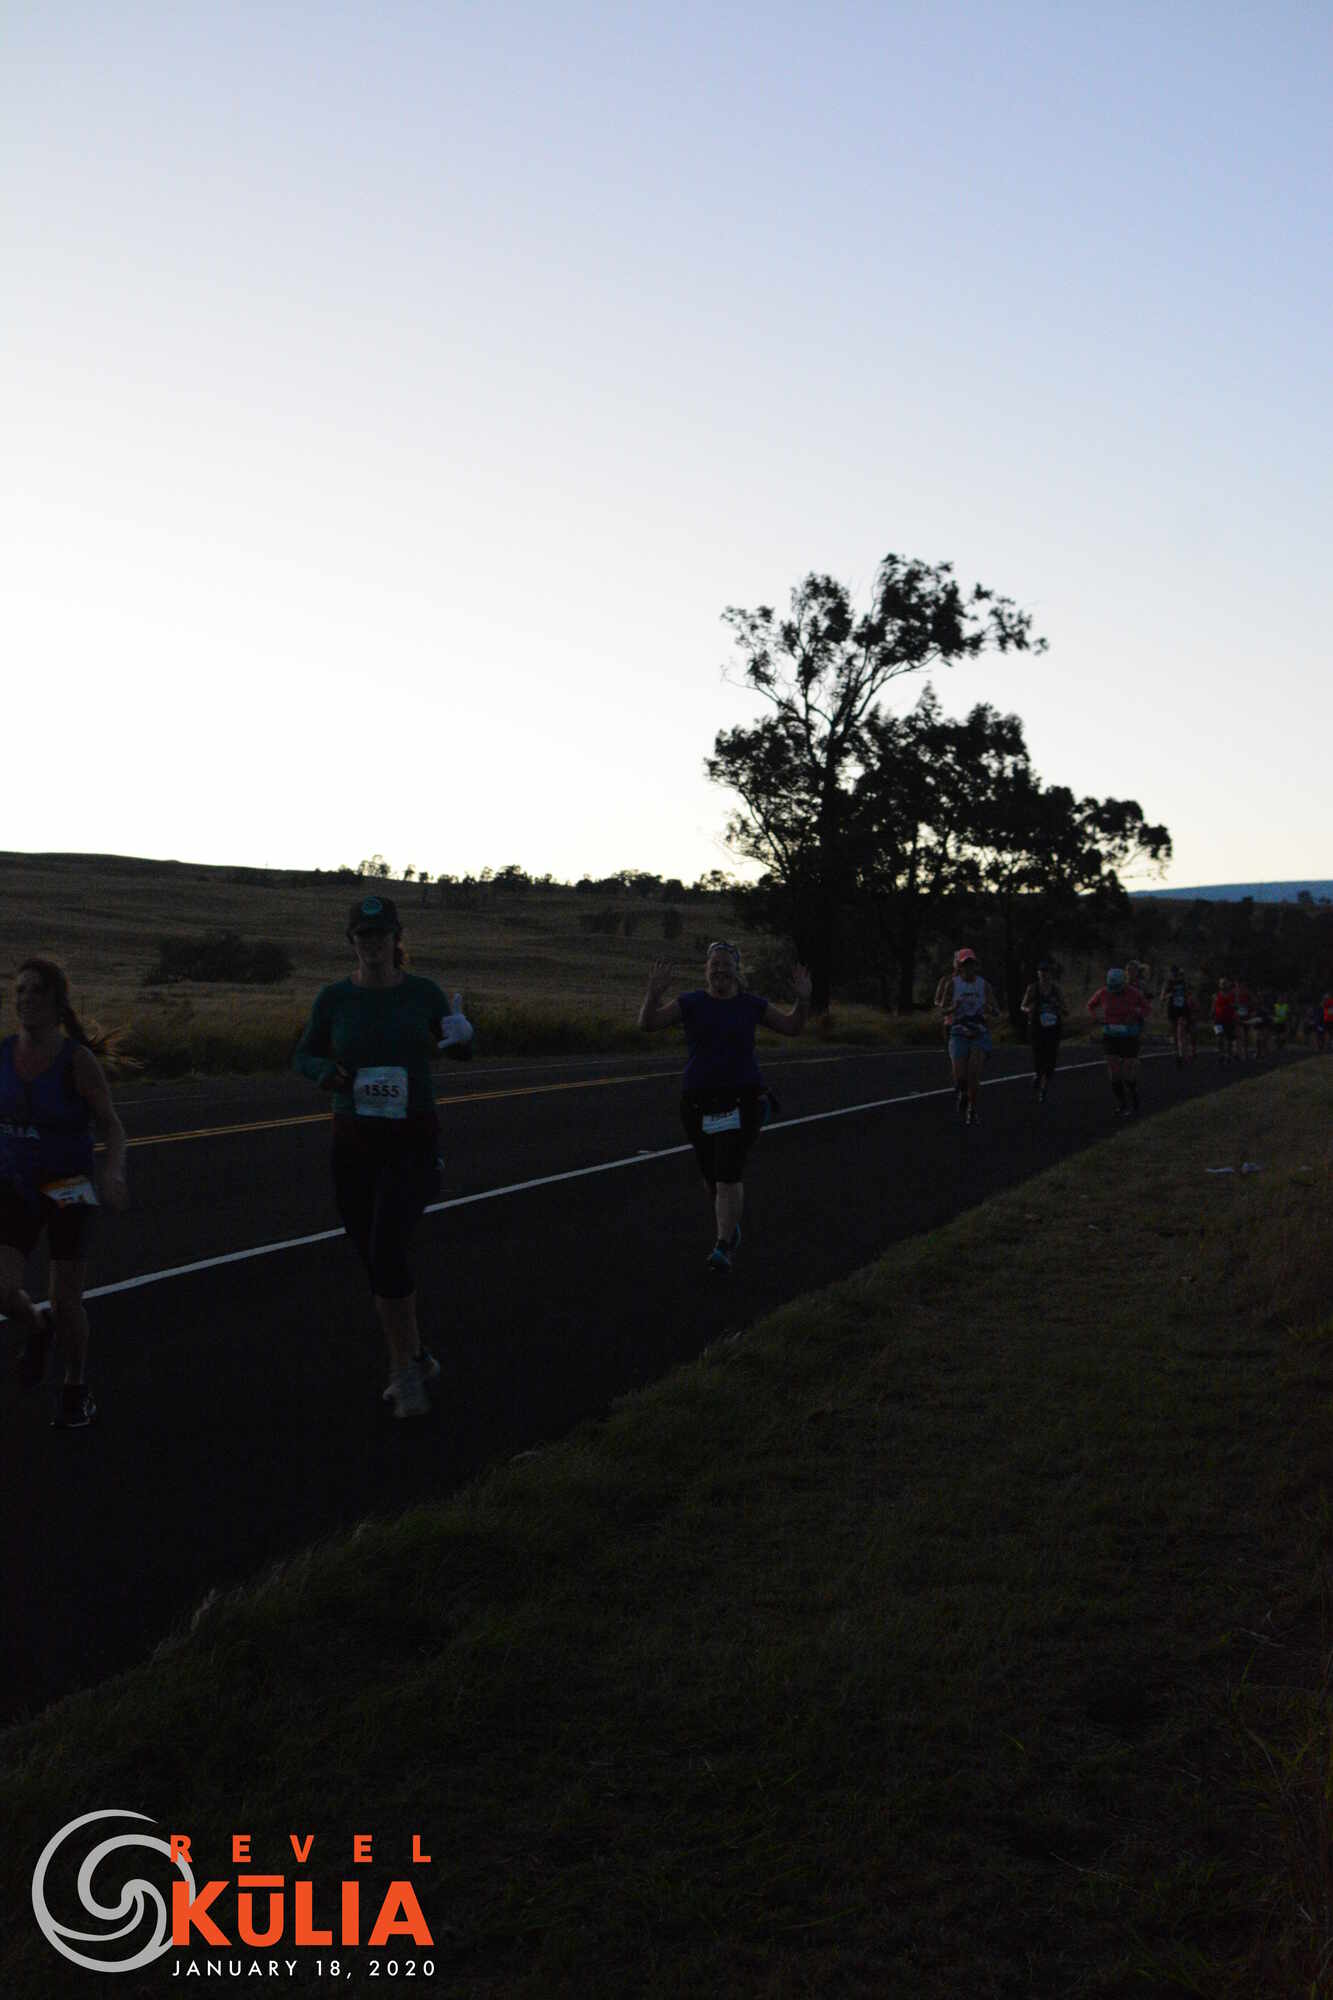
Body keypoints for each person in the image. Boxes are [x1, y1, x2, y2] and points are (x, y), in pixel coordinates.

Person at [292, 894, 473, 1418]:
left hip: (412, 1139)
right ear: (352, 941)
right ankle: (415, 1355)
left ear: (398, 939)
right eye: (364, 936)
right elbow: (304, 1054)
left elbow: (457, 1047)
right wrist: (324, 1073)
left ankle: (403, 1375)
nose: (373, 944)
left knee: (388, 1247)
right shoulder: (334, 998)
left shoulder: (423, 993)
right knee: (374, 1258)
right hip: (353, 1142)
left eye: (382, 934)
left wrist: (464, 1036)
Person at [1, 957, 129, 1428]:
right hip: (15, 1184)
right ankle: (37, 1328)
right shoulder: (3, 1054)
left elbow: (111, 1126)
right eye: (19, 990)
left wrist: (112, 1172)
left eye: (36, 990)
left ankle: (76, 1388)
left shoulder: (76, 1061)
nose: (25, 998)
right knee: (2, 1290)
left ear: (57, 1002)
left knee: (66, 1299)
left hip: (68, 1187)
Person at [638, 942, 810, 1272]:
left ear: (737, 970)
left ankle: (723, 1246)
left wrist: (803, 1000)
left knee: (728, 1171)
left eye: (726, 964)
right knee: (712, 1178)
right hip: (697, 1101)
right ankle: (729, 1226)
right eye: (714, 964)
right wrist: (653, 994)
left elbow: (793, 1027)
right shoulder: (690, 1003)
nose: (720, 969)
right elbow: (647, 1024)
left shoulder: (752, 1005)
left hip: (743, 1100)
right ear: (706, 970)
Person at [933, 948, 1001, 1126]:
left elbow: (996, 1010)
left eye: (972, 964)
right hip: (958, 1031)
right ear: (960, 967)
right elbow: (942, 1009)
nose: (969, 968)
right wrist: (953, 1008)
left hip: (979, 1032)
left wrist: (989, 1009)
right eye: (965, 965)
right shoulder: (951, 984)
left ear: (976, 966)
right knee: (960, 1077)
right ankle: (962, 1092)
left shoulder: (984, 985)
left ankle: (972, 1108)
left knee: (974, 1072)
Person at [1087, 966, 1150, 1114]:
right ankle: (1121, 1103)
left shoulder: (1134, 993)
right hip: (1110, 1035)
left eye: (1117, 988)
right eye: (1112, 988)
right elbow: (1091, 1005)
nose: (1114, 991)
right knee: (1114, 1070)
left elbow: (1146, 1009)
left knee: (1127, 1071)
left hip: (1129, 1035)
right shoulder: (1103, 993)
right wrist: (1098, 1017)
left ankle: (1133, 1092)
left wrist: (1136, 1015)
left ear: (1124, 983)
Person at [1019, 960, 1065, 1101]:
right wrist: (1029, 1010)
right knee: (1039, 1057)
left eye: (1046, 971)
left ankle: (1043, 1084)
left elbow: (1064, 1008)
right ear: (1038, 973)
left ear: (1050, 973)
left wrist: (1058, 1007)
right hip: (1037, 1028)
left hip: (1053, 1028)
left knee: (1051, 1060)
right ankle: (1039, 1080)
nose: (1044, 974)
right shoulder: (1032, 988)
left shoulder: (1056, 989)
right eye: (1042, 971)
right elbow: (1023, 1006)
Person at [1159, 965, 1196, 1067]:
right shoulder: (1168, 983)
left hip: (1183, 1009)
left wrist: (1189, 1001)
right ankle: (1177, 1053)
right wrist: (1168, 995)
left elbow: (1190, 994)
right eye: (1173, 973)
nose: (1175, 975)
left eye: (1176, 973)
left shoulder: (1184, 982)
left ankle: (1182, 1054)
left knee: (1181, 1032)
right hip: (1172, 1009)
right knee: (1175, 1033)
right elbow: (1162, 997)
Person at [1212, 978, 1238, 1063]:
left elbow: (1236, 1005)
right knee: (1219, 1037)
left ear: (1227, 984)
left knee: (1229, 1038)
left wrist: (1232, 1007)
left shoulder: (1232, 995)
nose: (1223, 985)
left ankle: (1229, 1055)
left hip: (1229, 1019)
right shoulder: (1215, 995)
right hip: (1218, 1020)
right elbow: (1213, 1006)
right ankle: (1221, 1055)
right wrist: (1212, 1014)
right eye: (1222, 983)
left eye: (1224, 983)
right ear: (1219, 985)